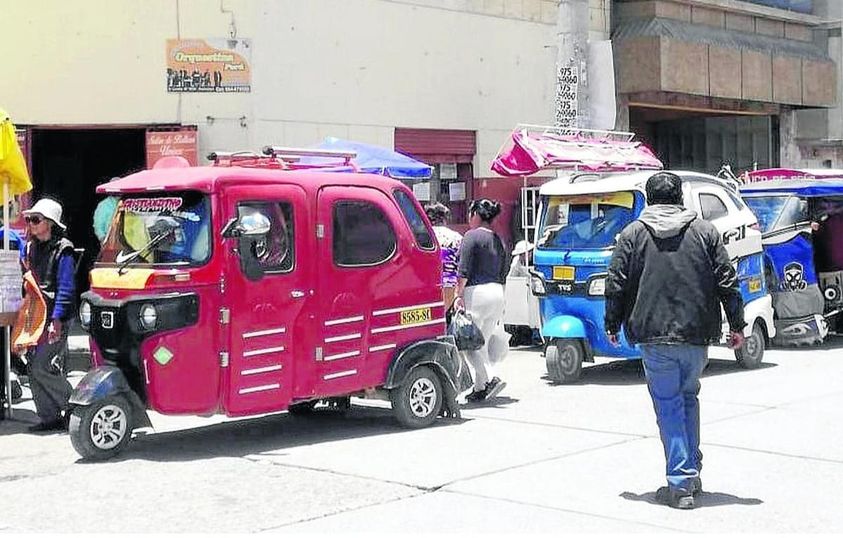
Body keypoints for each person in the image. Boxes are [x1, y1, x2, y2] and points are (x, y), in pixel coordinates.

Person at [604, 172, 746, 510]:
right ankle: (691, 472)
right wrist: (737, 323)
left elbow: (616, 282)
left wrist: (612, 322)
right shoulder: (706, 231)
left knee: (668, 405)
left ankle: (680, 482)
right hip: (697, 333)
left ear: (649, 199)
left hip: (653, 335)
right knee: (687, 398)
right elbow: (728, 280)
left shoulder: (632, 234)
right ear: (680, 197)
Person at [20, 198, 76, 432]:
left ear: (50, 223)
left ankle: (77, 405)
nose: (31, 224)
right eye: (29, 219)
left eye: (36, 219)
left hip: (55, 316)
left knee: (41, 366)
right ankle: (49, 416)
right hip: (36, 314)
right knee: (33, 366)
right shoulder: (30, 248)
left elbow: (66, 288)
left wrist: (57, 321)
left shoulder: (64, 249)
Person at [454, 199, 509, 402]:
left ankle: (490, 376)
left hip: (476, 293)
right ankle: (480, 387)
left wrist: (458, 295)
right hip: (497, 293)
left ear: (476, 213)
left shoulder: (471, 237)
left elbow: (463, 270)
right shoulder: (498, 239)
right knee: (481, 344)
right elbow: (504, 271)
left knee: (468, 344)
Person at [424, 202, 463, 311]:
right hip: (450, 285)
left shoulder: (423, 237)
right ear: (444, 219)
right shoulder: (457, 237)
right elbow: (460, 263)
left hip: (429, 284)